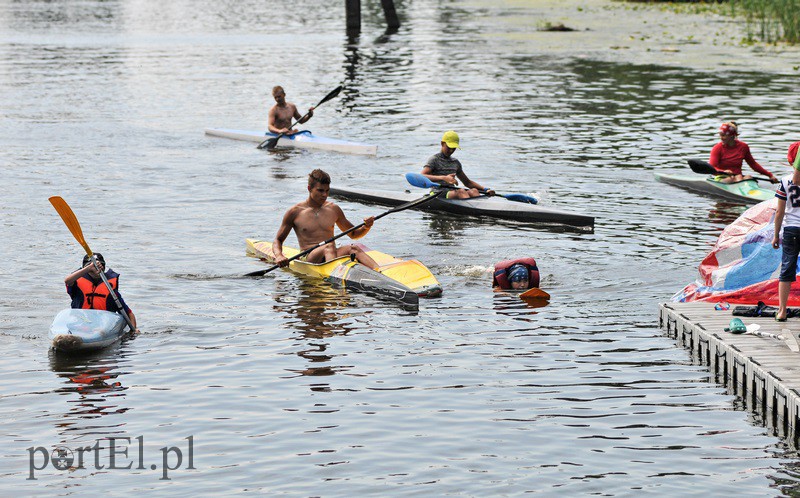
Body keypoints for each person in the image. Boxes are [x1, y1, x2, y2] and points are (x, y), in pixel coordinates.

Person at [273, 169, 378, 269]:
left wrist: (366, 227)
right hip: (310, 257)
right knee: (328, 246)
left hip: (331, 253)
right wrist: (279, 255)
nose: (325, 195)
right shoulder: (295, 212)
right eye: (320, 190)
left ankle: (381, 271)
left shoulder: (334, 209)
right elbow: (278, 240)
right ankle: (334, 277)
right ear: (309, 189)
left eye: (327, 190)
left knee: (353, 248)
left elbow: (354, 234)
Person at [64, 253, 138, 330]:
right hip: (80, 323)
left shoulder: (110, 290)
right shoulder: (76, 284)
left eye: (99, 266)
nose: (95, 268)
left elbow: (129, 313)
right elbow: (67, 281)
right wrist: (88, 268)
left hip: (103, 327)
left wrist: (134, 329)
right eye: (92, 266)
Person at [772, 141, 800, 321]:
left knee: (787, 269)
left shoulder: (785, 181)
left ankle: (782, 311)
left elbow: (779, 212)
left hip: (791, 230)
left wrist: (776, 235)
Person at [421, 131, 495, 199]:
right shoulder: (434, 159)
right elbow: (422, 176)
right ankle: (472, 211)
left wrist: (485, 189)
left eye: (454, 148)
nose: (451, 150)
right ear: (442, 143)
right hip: (437, 193)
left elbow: (467, 182)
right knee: (461, 191)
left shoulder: (455, 162)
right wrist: (444, 178)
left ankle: (480, 209)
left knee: (474, 191)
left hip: (452, 192)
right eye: (449, 147)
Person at [709, 121, 778, 184]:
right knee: (732, 179)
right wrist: (723, 172)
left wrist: (770, 175)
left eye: (723, 135)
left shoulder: (743, 147)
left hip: (738, 177)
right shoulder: (717, 148)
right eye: (720, 135)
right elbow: (711, 168)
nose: (721, 138)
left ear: (732, 136)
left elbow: (753, 164)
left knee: (748, 177)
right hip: (721, 177)